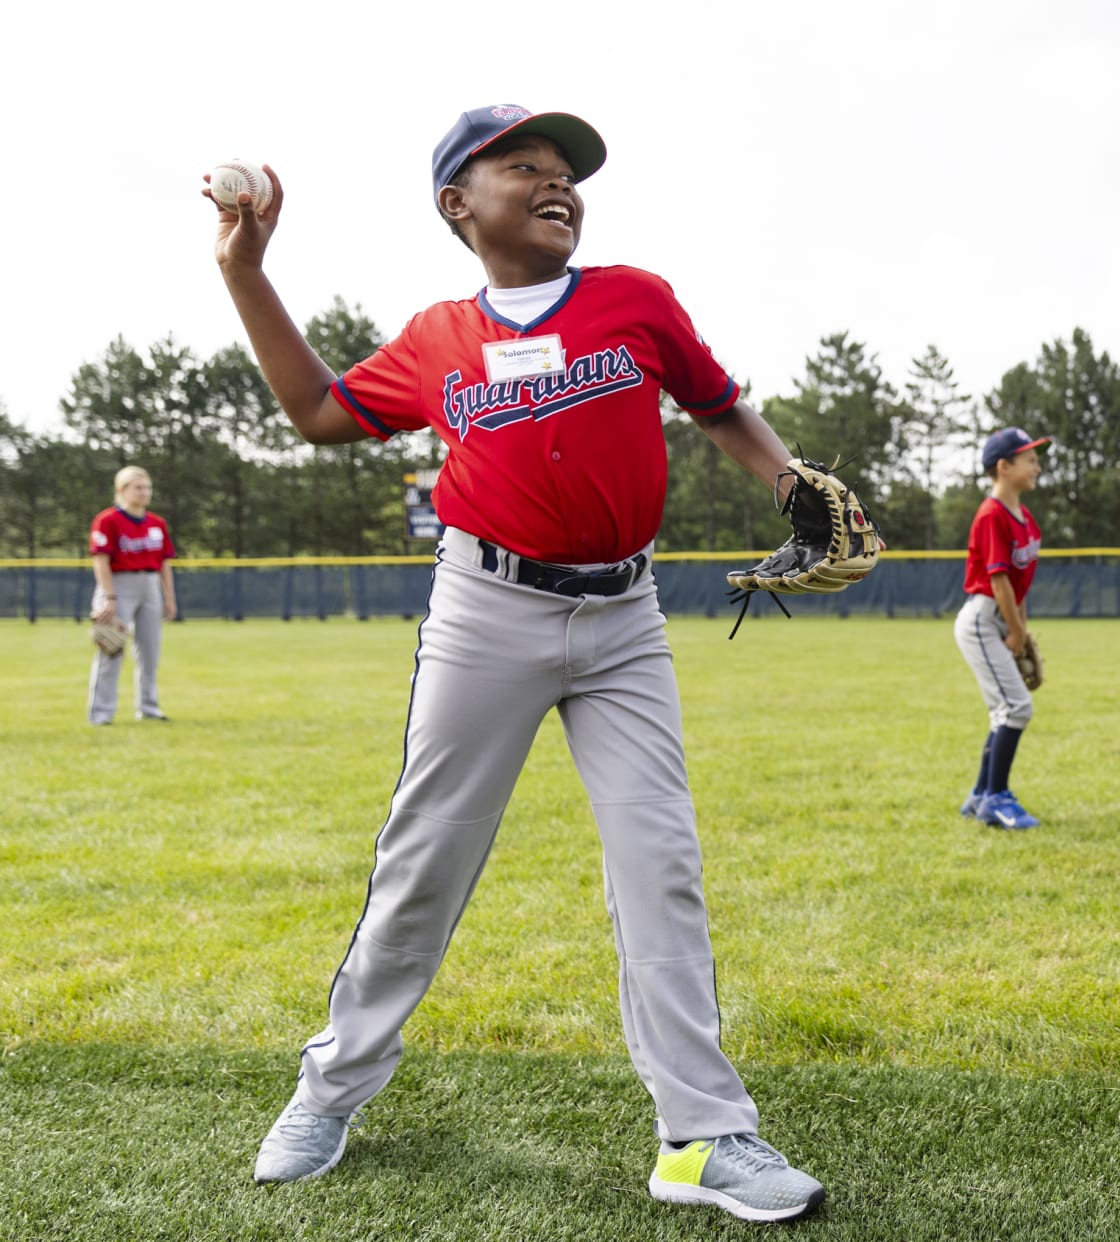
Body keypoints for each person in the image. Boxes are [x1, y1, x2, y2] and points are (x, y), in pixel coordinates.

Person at [207, 105, 824, 1222]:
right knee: (423, 865)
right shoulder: (439, 335)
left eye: (567, 171)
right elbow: (313, 413)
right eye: (523, 167)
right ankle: (330, 1087)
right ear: (459, 206)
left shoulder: (635, 298)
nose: (558, 183)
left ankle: (700, 1135)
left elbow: (720, 405)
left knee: (661, 867)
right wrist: (247, 269)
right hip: (486, 609)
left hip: (624, 616)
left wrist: (794, 486)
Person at [956, 428, 1048, 830]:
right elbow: (998, 582)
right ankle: (996, 797)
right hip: (983, 618)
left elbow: (1020, 581)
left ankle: (980, 794)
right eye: (1028, 459)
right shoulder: (991, 514)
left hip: (1002, 617)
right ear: (1003, 466)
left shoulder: (1024, 516)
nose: (1037, 466)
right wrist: (1014, 631)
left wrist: (1022, 633)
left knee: (1003, 711)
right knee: (1016, 708)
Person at [86, 465, 177, 725]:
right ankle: (101, 714)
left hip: (149, 586)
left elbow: (163, 563)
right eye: (138, 487)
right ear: (121, 490)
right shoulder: (108, 520)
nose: (144, 492)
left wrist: (169, 597)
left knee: (150, 652)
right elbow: (100, 560)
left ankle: (148, 708)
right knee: (111, 649)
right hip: (118, 585)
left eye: (147, 487)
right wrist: (109, 597)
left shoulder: (156, 523)